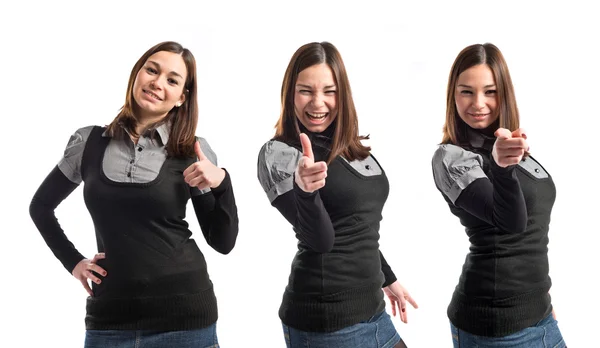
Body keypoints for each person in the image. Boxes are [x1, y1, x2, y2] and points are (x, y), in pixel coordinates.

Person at [29, 41, 239, 348]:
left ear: (182, 97)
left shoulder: (192, 151)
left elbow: (223, 242)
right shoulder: (88, 142)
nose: (157, 82)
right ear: (137, 74)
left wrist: (221, 182)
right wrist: (74, 262)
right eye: (152, 70)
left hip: (185, 321)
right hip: (109, 321)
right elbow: (41, 206)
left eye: (172, 80)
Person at [257, 41, 417, 348]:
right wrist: (304, 191)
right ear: (290, 93)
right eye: (306, 90)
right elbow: (321, 239)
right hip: (327, 320)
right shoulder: (281, 154)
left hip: (371, 311)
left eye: (329, 91)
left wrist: (388, 278)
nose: (318, 103)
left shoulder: (349, 147)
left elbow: (356, 227)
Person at [431, 43, 566, 347]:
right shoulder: (451, 156)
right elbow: (511, 223)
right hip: (493, 325)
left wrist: (542, 302)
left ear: (504, 94)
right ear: (453, 95)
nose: (478, 103)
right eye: (467, 91)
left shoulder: (509, 145)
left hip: (538, 314)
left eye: (490, 92)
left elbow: (532, 234)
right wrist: (502, 167)